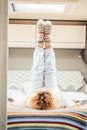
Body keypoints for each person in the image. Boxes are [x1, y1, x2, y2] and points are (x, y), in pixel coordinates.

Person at [23, 19, 76, 110]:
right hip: (46, 94)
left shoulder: (30, 101)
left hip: (34, 93)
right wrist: (75, 103)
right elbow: (71, 104)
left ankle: (41, 39)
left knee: (38, 72)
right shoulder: (57, 100)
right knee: (47, 71)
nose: (44, 88)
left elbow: (17, 103)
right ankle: (47, 39)